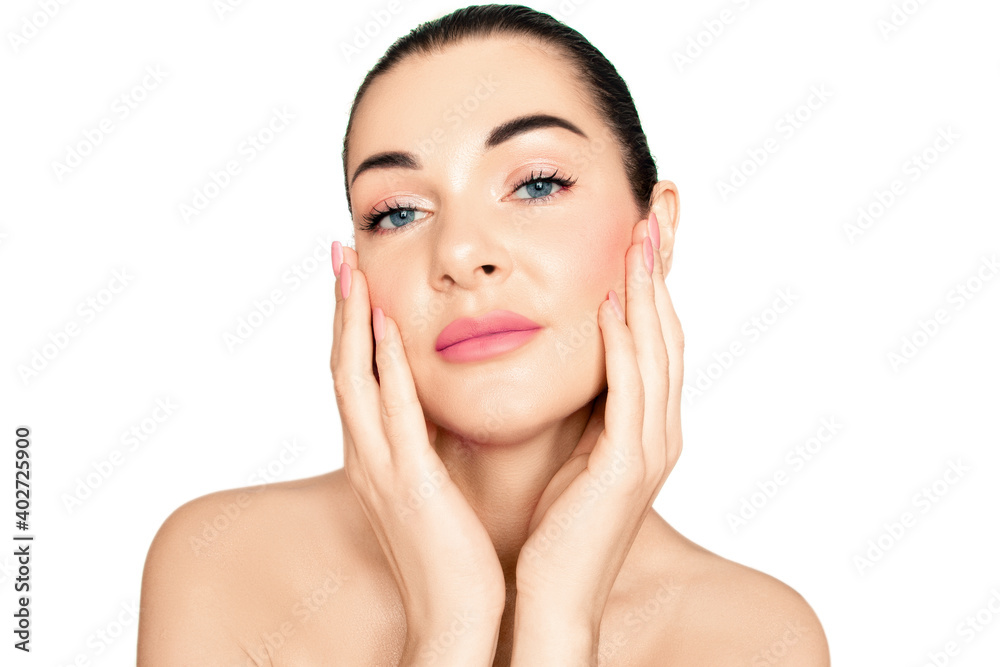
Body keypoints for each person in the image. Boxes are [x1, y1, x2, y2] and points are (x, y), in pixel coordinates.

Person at [137, 5, 830, 665]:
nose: (462, 252)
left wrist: (559, 619)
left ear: (657, 231)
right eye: (399, 212)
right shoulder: (223, 565)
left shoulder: (757, 637)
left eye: (536, 184)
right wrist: (452, 623)